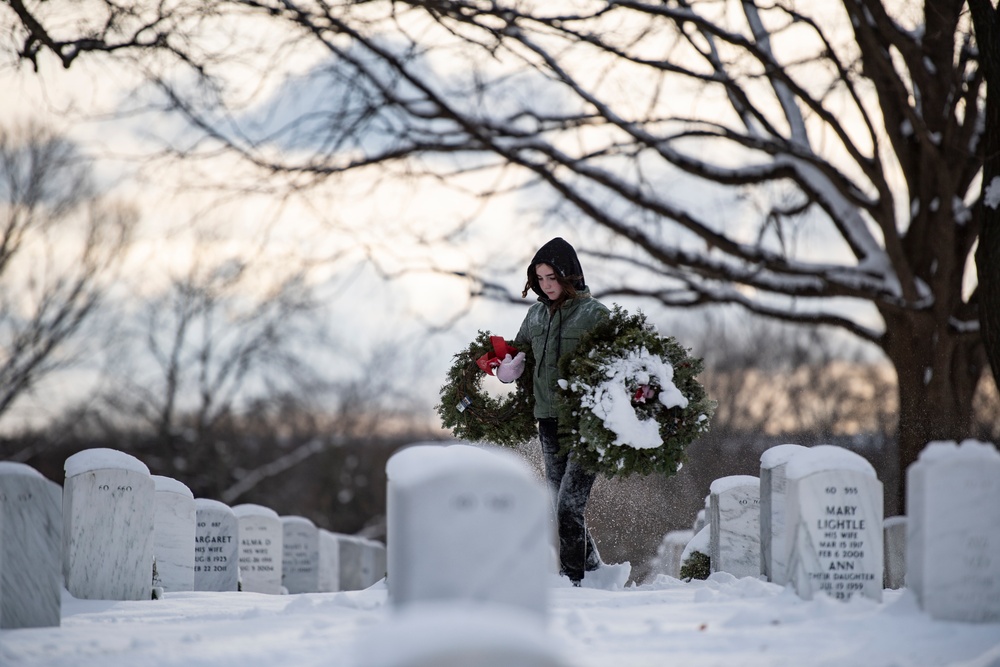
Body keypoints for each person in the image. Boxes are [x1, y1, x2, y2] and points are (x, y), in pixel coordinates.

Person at [496, 237, 610, 586]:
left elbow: (621, 363)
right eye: (540, 279)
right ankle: (593, 570)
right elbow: (518, 353)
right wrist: (508, 366)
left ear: (570, 275)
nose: (546, 286)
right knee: (558, 506)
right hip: (548, 421)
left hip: (590, 425)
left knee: (568, 507)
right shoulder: (534, 315)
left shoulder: (595, 315)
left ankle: (573, 580)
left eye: (552, 277)